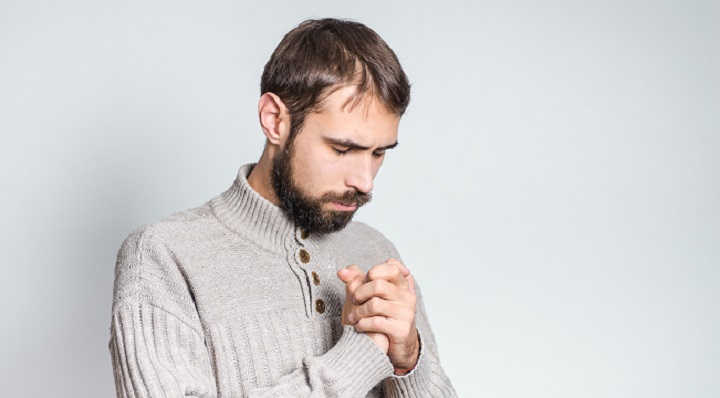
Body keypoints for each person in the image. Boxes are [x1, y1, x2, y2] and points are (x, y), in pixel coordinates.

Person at [109, 18, 457, 397]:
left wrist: (408, 361)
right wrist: (362, 355)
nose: (365, 181)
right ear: (274, 119)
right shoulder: (164, 256)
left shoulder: (377, 252)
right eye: (342, 149)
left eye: (378, 153)